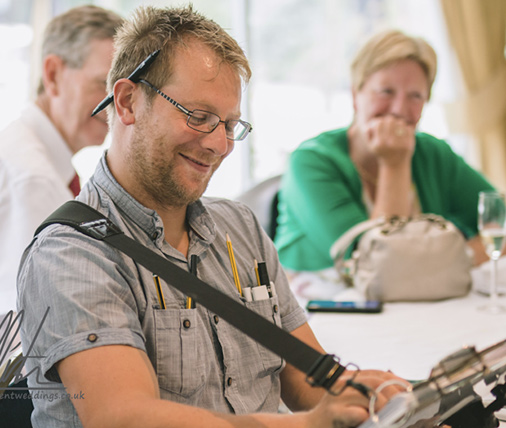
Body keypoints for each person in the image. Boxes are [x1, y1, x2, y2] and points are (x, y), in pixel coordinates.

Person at [17, 6, 407, 427]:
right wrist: (310, 424)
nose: (219, 144)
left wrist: (371, 399)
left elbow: (305, 378)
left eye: (230, 125)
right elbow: (125, 417)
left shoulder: (240, 228)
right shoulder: (69, 253)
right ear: (128, 101)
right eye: (199, 117)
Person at [275, 30, 495, 272]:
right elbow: (377, 267)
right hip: (319, 301)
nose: (399, 109)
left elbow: (500, 217)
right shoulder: (311, 161)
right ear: (355, 94)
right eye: (386, 92)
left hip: (413, 301)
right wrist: (395, 163)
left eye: (415, 96)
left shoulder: (433, 152)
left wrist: (458, 258)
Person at [0, 5, 123, 316]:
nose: (115, 104)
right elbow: (27, 325)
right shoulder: (33, 180)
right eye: (102, 84)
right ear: (53, 74)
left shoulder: (32, 158)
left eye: (123, 89)